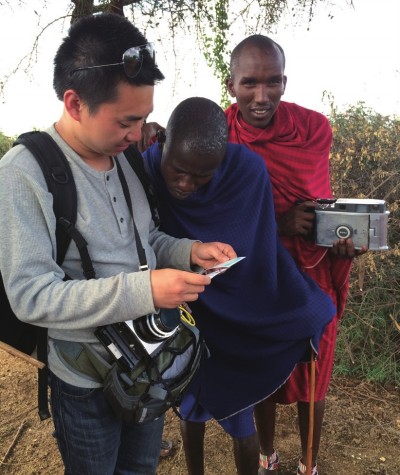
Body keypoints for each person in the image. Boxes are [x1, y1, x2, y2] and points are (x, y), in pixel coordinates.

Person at [0, 14, 236, 475]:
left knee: (140, 468)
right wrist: (145, 290)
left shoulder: (125, 157)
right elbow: (31, 296)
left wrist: (188, 251)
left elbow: (143, 240)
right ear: (75, 103)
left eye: (144, 118)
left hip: (148, 361)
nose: (138, 133)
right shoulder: (23, 173)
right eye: (127, 121)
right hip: (84, 377)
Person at [143, 96, 336, 475]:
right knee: (190, 404)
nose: (185, 184)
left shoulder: (247, 170)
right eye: (177, 171)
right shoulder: (146, 166)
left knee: (241, 418)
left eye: (201, 176)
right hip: (183, 308)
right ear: (164, 144)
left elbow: (259, 245)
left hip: (237, 309)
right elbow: (148, 237)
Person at [225, 35, 367, 475]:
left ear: (284, 83)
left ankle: (309, 464)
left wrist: (342, 238)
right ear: (231, 85)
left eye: (272, 82)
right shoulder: (220, 134)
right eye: (250, 83)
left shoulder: (313, 129)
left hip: (311, 272)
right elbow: (216, 217)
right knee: (262, 372)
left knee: (314, 373)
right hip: (255, 274)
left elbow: (320, 200)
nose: (261, 96)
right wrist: (278, 224)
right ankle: (267, 455)